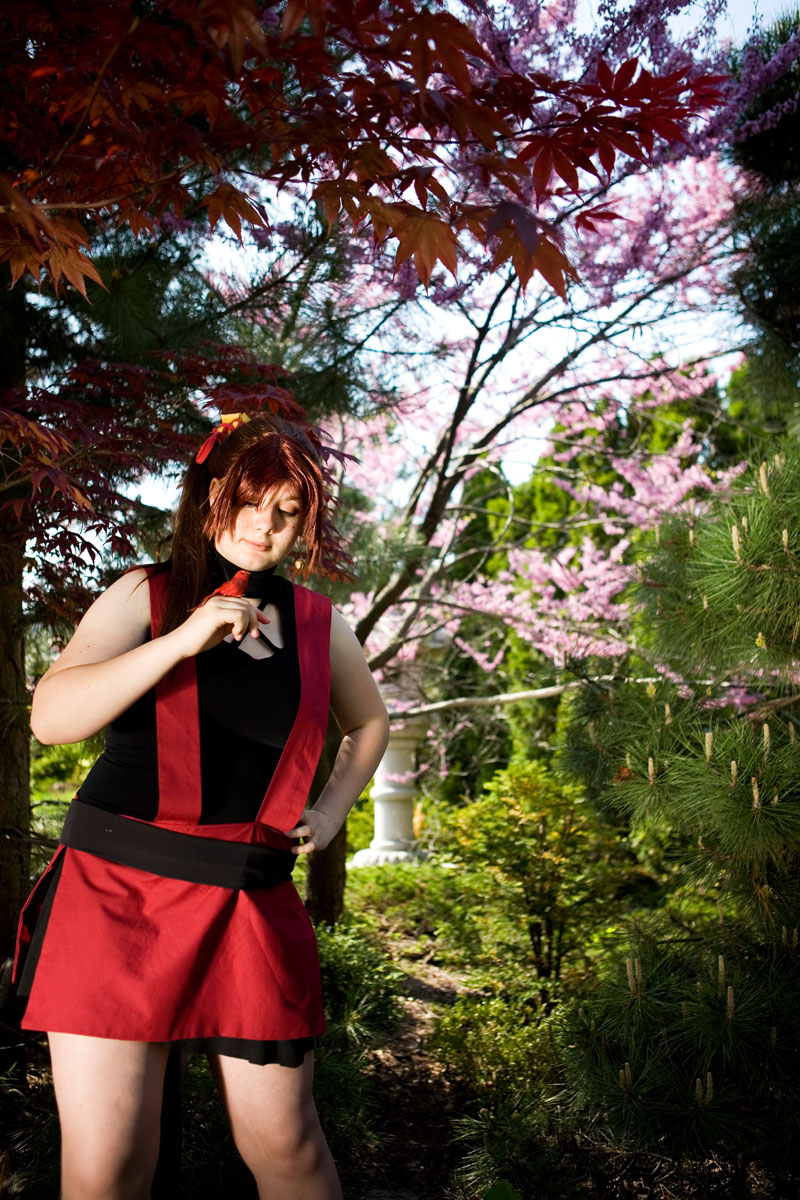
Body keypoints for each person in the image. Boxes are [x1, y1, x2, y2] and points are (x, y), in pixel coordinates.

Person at [14, 410, 390, 1200]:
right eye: (250, 502)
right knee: (111, 1168)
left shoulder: (320, 626)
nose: (265, 526)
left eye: (287, 511)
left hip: (248, 900)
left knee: (288, 1149)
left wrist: (330, 814)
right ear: (212, 494)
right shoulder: (141, 594)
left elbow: (370, 723)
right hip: (113, 895)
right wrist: (181, 641)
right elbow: (51, 719)